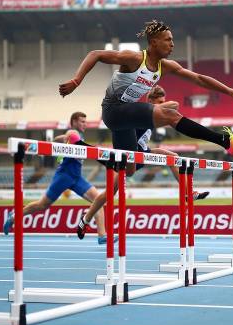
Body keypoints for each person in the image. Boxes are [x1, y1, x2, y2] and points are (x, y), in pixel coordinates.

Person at [58, 19, 233, 180]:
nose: (172, 44)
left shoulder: (166, 66)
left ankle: (84, 148)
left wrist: (230, 91)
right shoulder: (135, 58)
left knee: (128, 169)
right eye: (167, 39)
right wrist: (77, 80)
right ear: (154, 42)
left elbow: (198, 79)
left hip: (126, 117)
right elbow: (96, 54)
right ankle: (225, 141)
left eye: (172, 40)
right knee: (171, 115)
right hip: (113, 110)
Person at [75, 85, 209, 239]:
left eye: (162, 102)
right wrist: (153, 108)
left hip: (143, 153)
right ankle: (85, 220)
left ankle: (188, 194)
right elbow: (172, 106)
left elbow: (175, 105)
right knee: (109, 193)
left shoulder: (153, 115)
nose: (161, 104)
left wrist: (158, 107)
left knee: (173, 157)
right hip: (129, 157)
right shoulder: (140, 114)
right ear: (150, 101)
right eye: (158, 102)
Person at [3, 112, 112, 244]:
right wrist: (96, 153)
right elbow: (73, 138)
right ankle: (14, 216)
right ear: (74, 122)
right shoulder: (73, 133)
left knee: (98, 200)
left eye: (85, 121)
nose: (85, 124)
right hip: (64, 176)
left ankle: (102, 236)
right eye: (82, 121)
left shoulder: (74, 134)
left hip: (76, 177)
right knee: (42, 205)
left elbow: (62, 138)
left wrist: (56, 141)